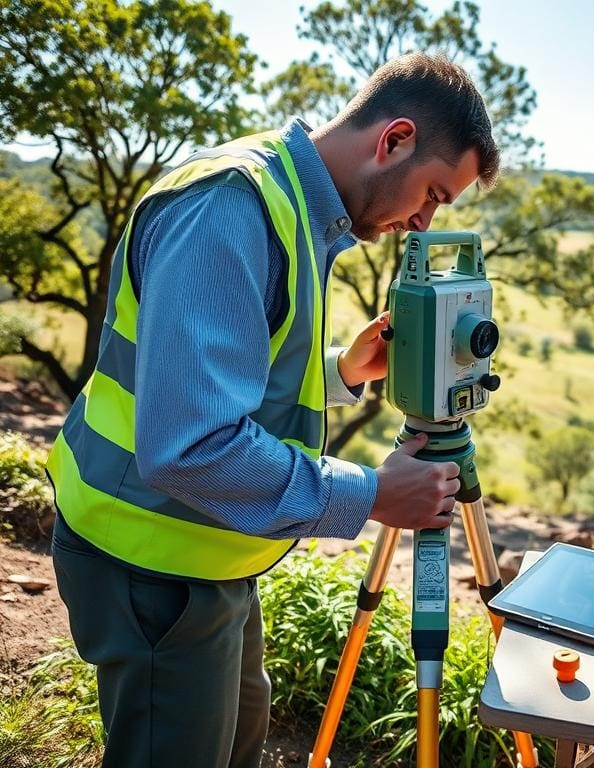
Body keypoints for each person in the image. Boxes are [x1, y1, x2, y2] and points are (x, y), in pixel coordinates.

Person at [46, 52, 500, 768]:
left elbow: (229, 377)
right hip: (150, 560)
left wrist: (344, 371)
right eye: (434, 194)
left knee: (240, 741)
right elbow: (191, 444)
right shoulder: (231, 207)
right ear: (395, 140)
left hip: (211, 550)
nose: (423, 222)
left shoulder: (293, 206)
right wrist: (372, 494)